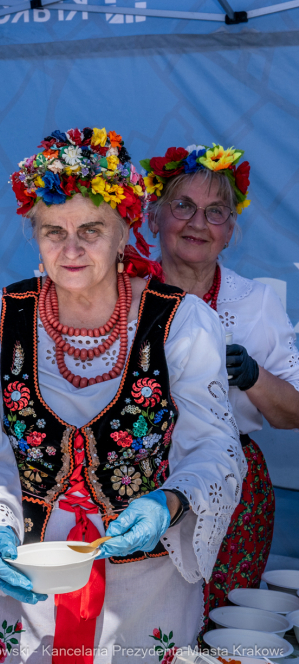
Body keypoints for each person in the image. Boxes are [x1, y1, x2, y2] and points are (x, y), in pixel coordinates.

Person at [0, 128, 246, 662]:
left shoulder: (183, 322)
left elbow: (215, 447)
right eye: (52, 231)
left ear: (126, 230)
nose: (70, 249)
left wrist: (170, 502)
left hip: (147, 586)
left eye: (90, 229)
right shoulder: (0, 316)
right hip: (25, 578)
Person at [142, 144, 299, 615]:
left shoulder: (254, 304)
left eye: (215, 213)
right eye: (182, 206)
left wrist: (252, 376)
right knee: (142, 621)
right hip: (137, 478)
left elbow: (294, 412)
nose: (197, 223)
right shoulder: (121, 293)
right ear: (153, 218)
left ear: (230, 232)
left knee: (221, 622)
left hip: (234, 489)